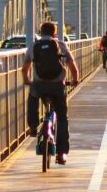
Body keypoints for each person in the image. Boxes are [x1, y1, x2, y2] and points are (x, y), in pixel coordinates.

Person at [23, 21, 80, 165]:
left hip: (39, 85)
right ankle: (61, 154)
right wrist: (75, 80)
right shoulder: (60, 45)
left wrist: (27, 80)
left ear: (41, 32)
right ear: (54, 33)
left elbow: (25, 68)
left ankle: (33, 126)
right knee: (62, 118)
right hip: (57, 86)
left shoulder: (34, 46)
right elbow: (72, 65)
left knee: (32, 98)